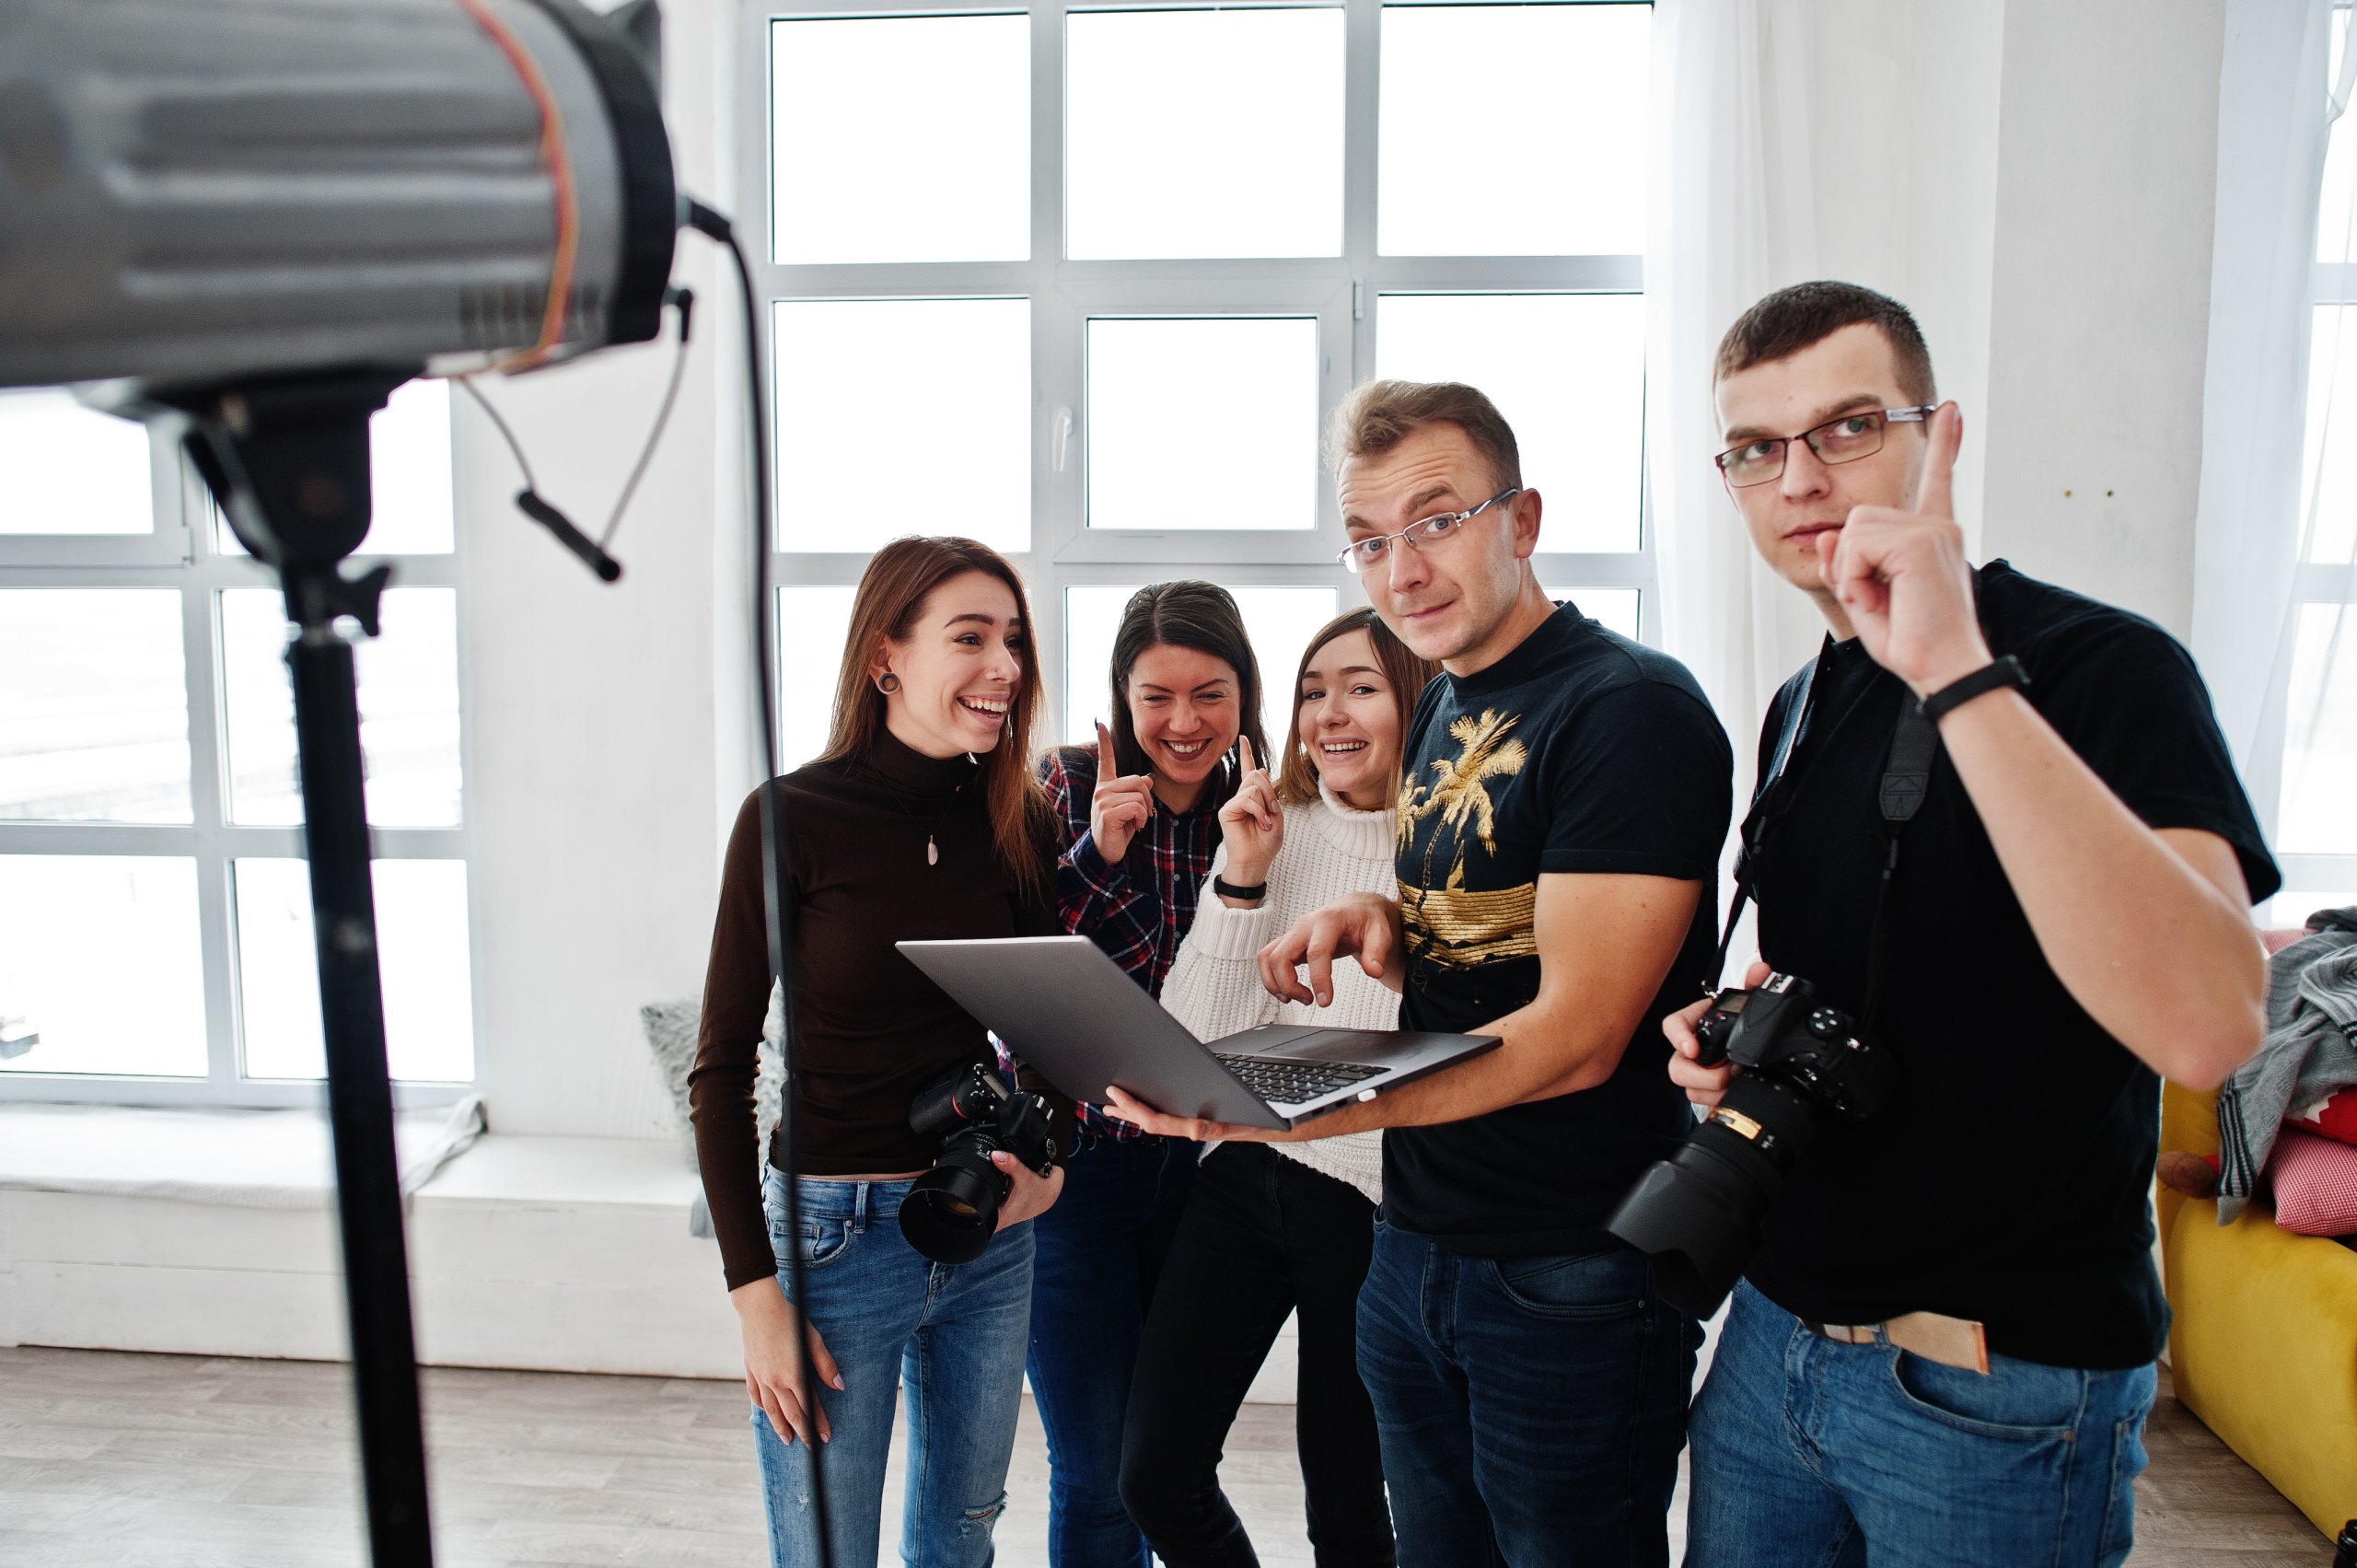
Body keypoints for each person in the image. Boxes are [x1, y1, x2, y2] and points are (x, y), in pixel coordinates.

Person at [1672, 281, 2278, 1567]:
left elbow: (2213, 1024)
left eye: (1846, 427)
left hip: (1994, 1382)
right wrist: (1738, 1032)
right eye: (1757, 448)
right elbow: (1871, 962)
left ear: (1935, 432)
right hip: (1776, 1332)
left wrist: (1953, 667)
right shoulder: (1800, 701)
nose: (1801, 477)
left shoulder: (2102, 669)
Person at [1108, 381, 1735, 1568]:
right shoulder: (1446, 695)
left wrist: (1282, 1109)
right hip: (1415, 1240)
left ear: (1523, 518)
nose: (1402, 568)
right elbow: (1494, 909)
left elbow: (1580, 1035)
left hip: (1569, 1263)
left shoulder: (1629, 710)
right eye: (1368, 539)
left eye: (1437, 519)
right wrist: (1374, 912)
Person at [689, 536, 1067, 1567]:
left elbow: (1052, 1035)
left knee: (963, 1538)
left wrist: (1047, 1166)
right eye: (972, 637)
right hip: (832, 1237)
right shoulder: (788, 819)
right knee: (826, 1548)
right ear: (885, 656)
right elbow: (720, 1069)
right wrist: (755, 1295)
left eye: (1015, 640)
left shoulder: (1015, 818)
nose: (1004, 665)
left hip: (983, 1228)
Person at [1121, 607, 1436, 1568]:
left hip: (1371, 1203)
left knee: (1347, 1505)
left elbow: (1420, 1045)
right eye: (1312, 690)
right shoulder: (1270, 826)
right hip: (1240, 1186)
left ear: (1417, 700)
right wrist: (1244, 878)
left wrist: (1276, 1066)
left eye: (1360, 687)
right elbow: (1190, 1035)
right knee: (1154, 1475)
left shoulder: (1449, 847)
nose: (1328, 714)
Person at [1022, 580, 1270, 1568]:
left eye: (1209, 692)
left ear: (1245, 695)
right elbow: (1024, 976)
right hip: (1075, 1165)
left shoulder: (1264, 811)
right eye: (1154, 695)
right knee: (1093, 1467)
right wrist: (1096, 850)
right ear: (1121, 698)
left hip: (1206, 1172)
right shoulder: (1059, 784)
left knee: (1163, 1462)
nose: (1182, 722)